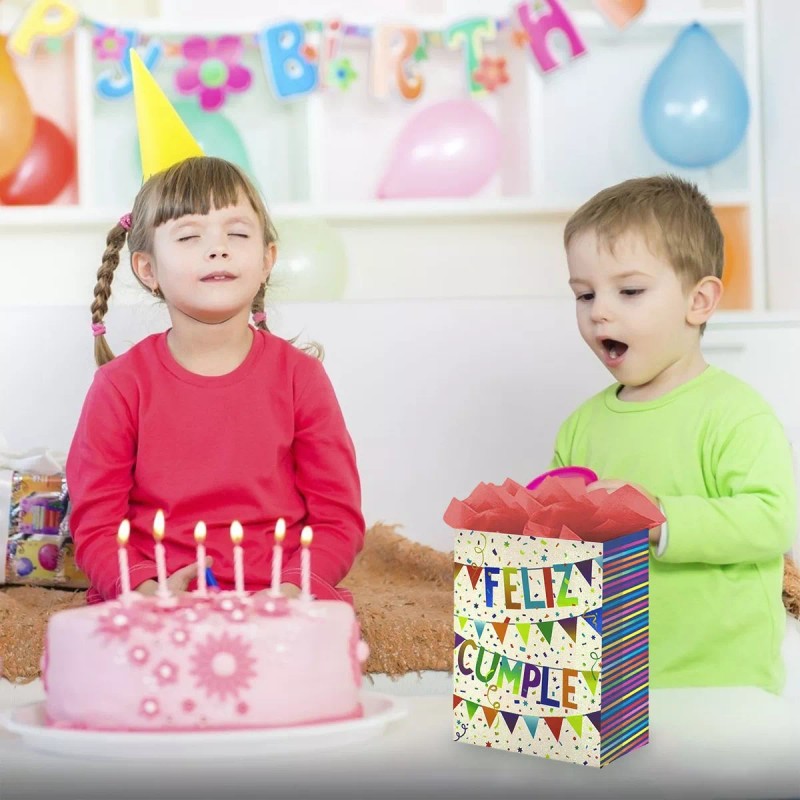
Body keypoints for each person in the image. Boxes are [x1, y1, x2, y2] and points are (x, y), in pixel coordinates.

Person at [66, 52, 364, 605]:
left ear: (268, 258)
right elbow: (96, 526)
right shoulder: (119, 388)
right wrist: (146, 588)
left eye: (237, 232)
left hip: (285, 605)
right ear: (147, 268)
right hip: (155, 605)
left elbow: (338, 519)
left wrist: (298, 585)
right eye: (189, 236)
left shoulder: (301, 379)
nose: (218, 246)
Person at [550, 174, 797, 693]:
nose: (600, 311)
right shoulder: (580, 427)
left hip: (723, 683)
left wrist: (660, 519)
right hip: (611, 683)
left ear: (699, 302)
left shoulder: (734, 413)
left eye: (630, 290)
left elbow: (771, 520)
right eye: (584, 294)